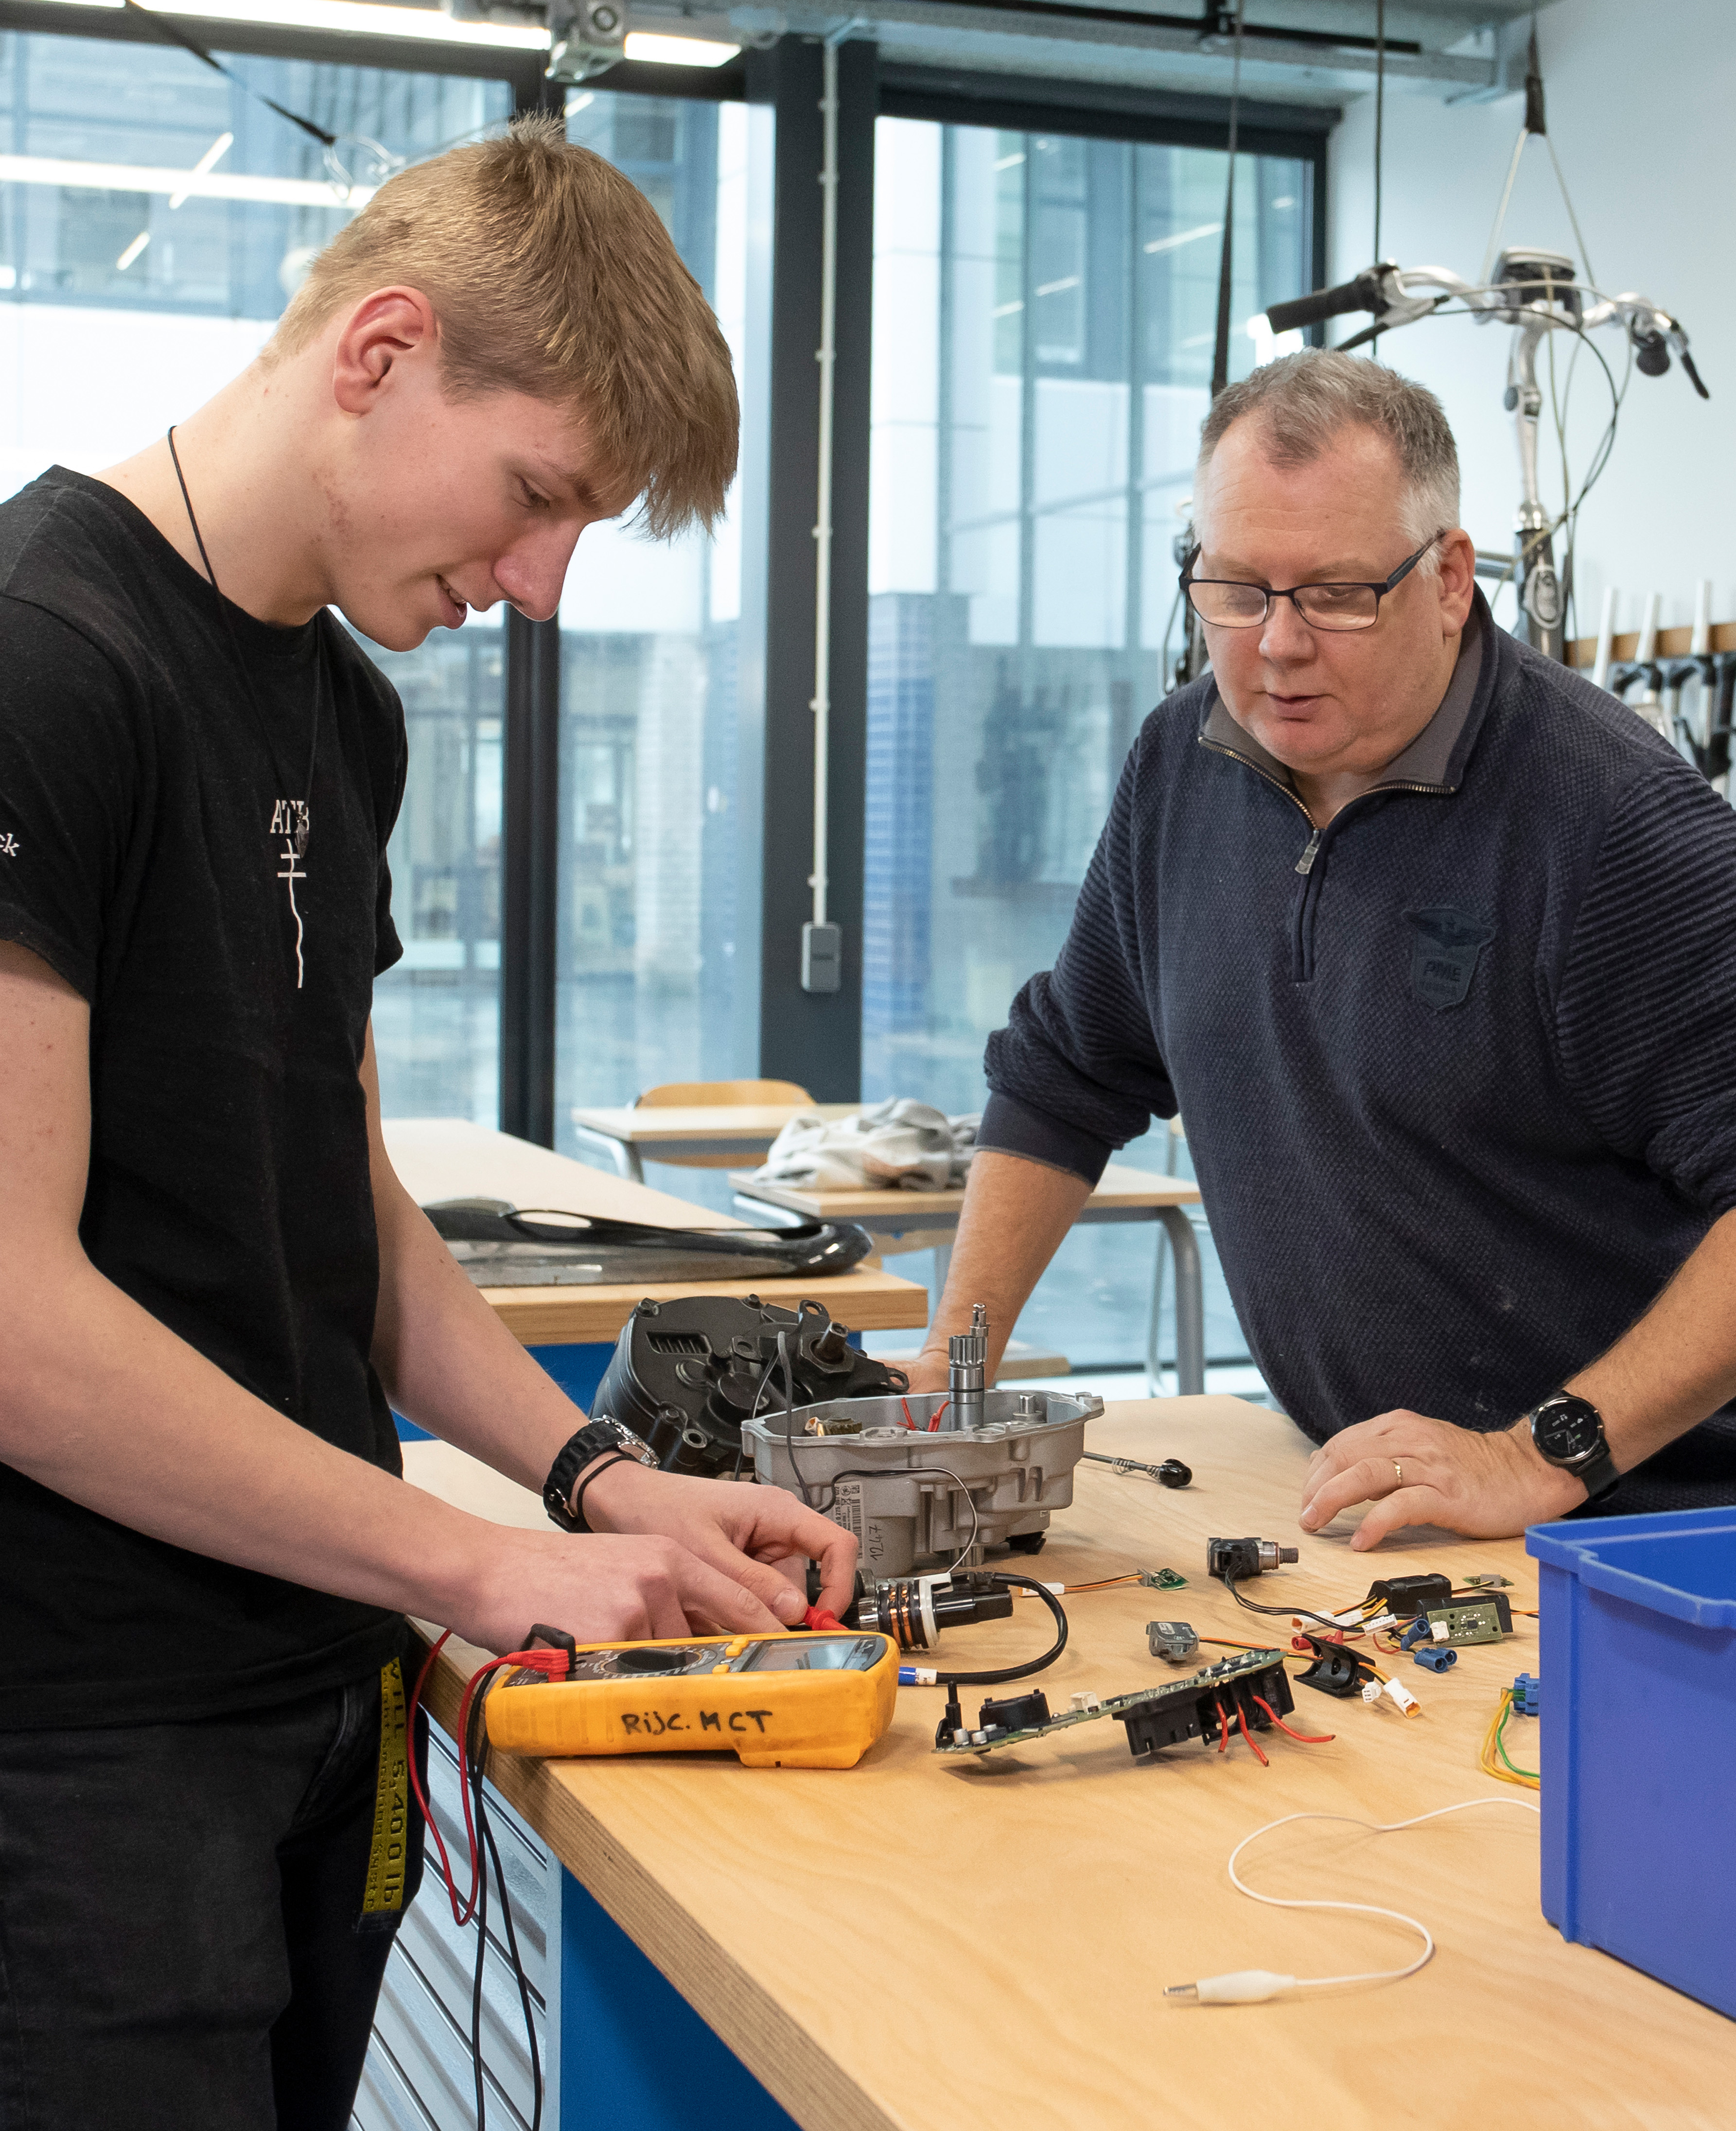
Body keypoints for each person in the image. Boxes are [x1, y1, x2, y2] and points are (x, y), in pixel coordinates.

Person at [0, 121, 856, 2131]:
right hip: (80, 1742)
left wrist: (588, 1478)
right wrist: (461, 1570)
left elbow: (345, 1206)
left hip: (315, 1692)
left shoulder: (342, 707)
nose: (541, 585)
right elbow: (19, 1330)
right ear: (381, 349)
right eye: (540, 496)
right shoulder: (47, 664)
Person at [901, 351, 1736, 1548]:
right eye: (1235, 588)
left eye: (1338, 594)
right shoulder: (1178, 765)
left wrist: (1541, 1451)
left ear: (1450, 578)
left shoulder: (1611, 825)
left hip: (1651, 1532)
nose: (1277, 646)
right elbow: (1064, 1077)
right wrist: (951, 1368)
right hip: (1377, 1514)